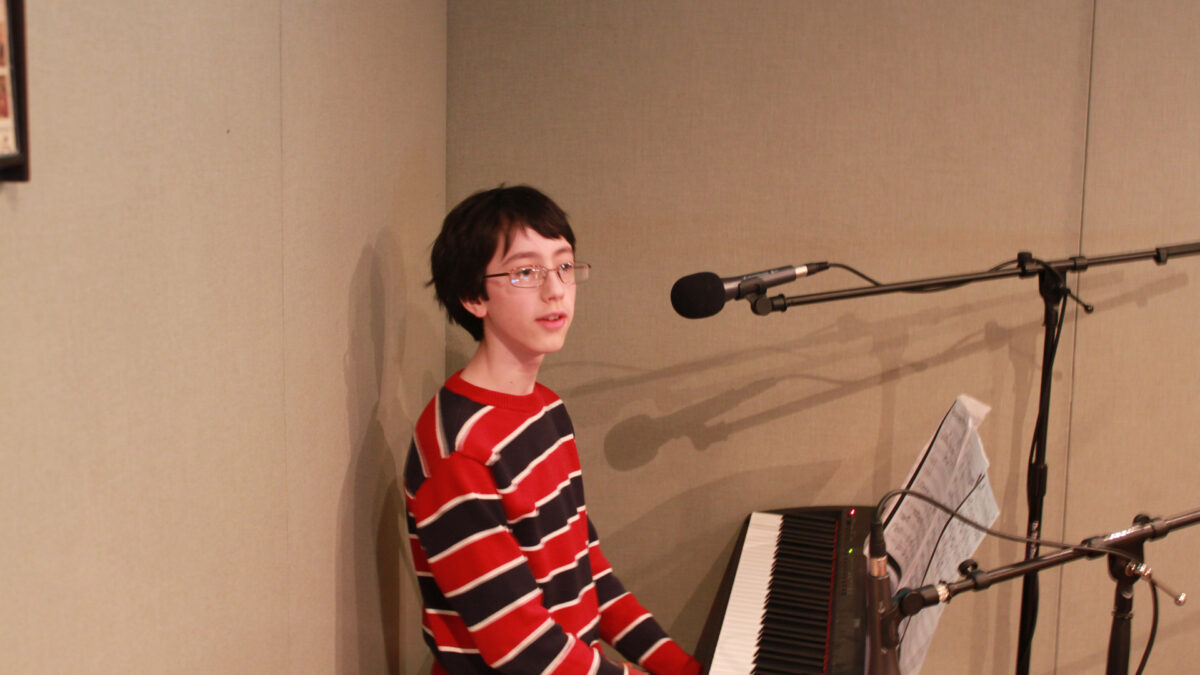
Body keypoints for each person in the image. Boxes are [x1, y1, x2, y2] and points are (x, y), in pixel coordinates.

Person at [403, 185, 701, 674]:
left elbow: (589, 572)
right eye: (526, 272)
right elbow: (523, 651)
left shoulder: (547, 410)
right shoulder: (459, 452)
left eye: (564, 266)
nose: (556, 289)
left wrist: (681, 667)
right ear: (473, 296)